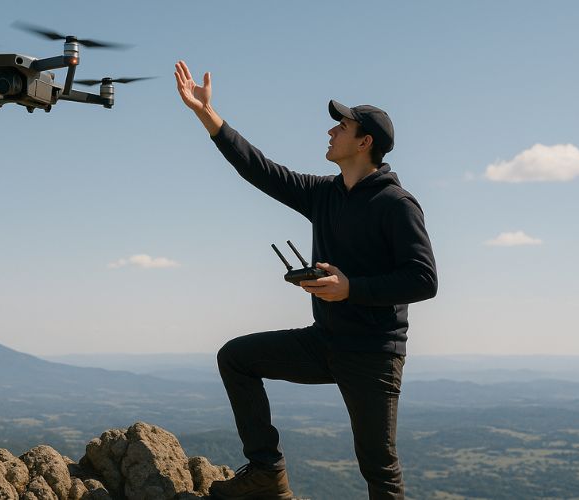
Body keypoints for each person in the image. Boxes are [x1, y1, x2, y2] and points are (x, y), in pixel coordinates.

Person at [174, 60, 438, 500]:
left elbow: (423, 279)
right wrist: (206, 114)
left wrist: (351, 287)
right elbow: (260, 169)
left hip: (372, 353)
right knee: (236, 358)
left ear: (364, 142)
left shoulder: (397, 204)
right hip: (324, 342)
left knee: (379, 468)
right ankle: (266, 475)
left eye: (342, 127)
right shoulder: (324, 193)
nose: (332, 132)